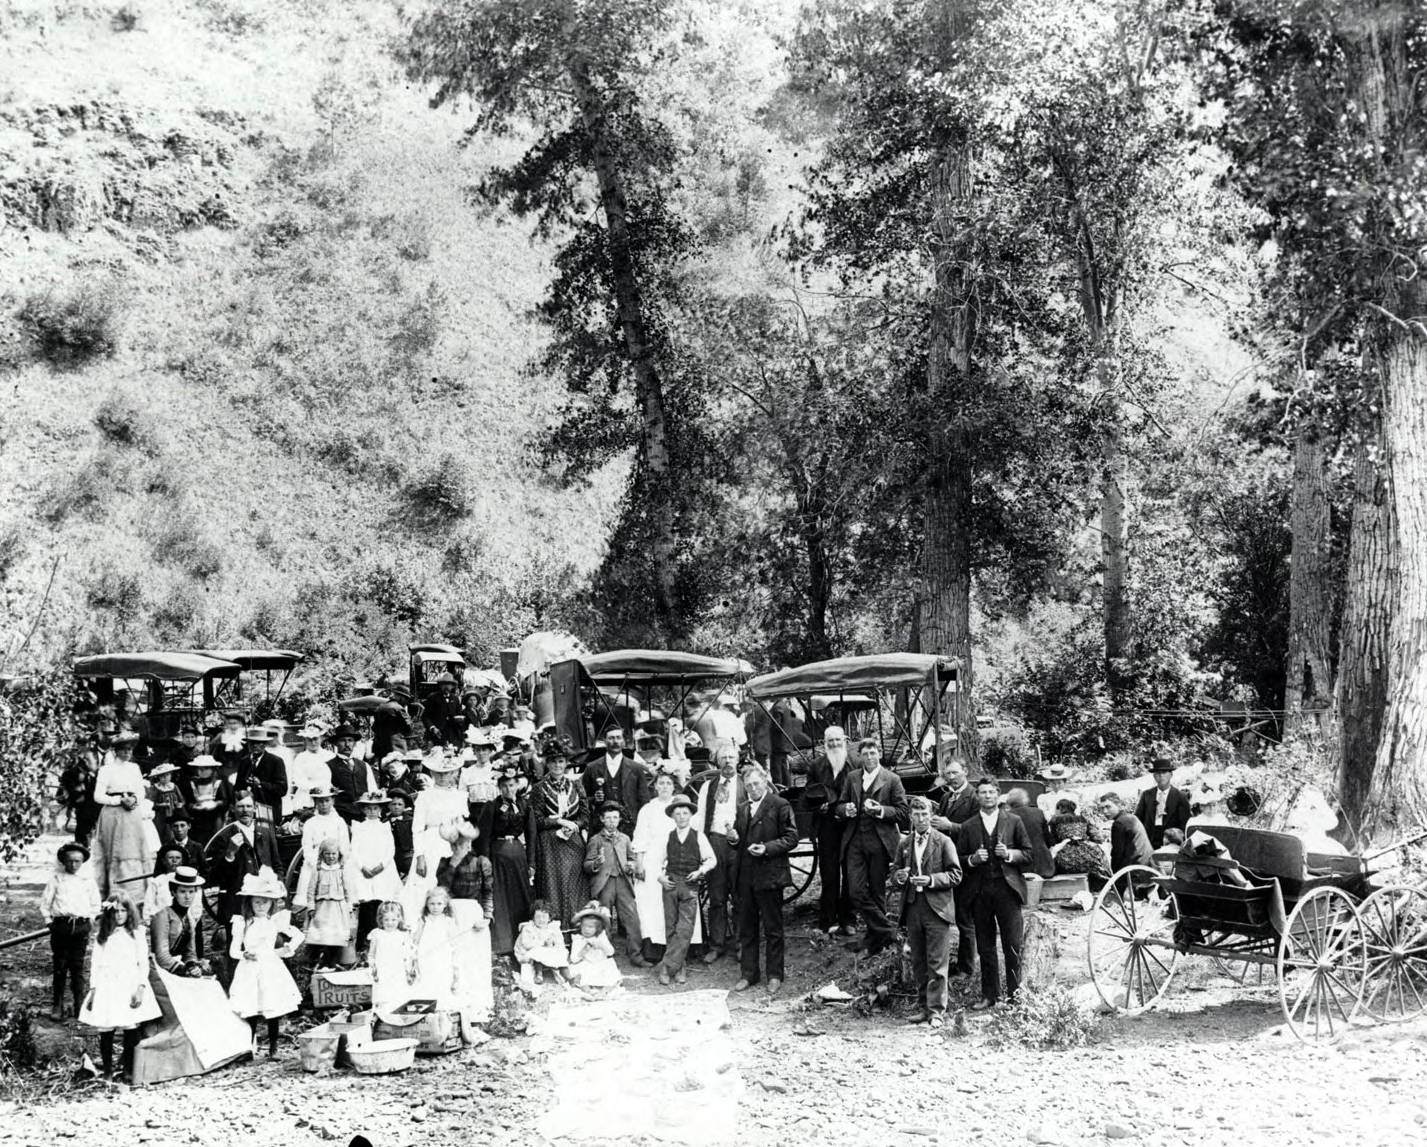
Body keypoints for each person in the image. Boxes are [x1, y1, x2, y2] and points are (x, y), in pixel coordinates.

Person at [959, 777, 1032, 1010]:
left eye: (991, 792)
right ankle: (990, 995)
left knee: (1012, 944)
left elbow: (1029, 855)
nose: (987, 796)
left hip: (1007, 889)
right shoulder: (968, 826)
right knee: (985, 946)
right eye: (982, 792)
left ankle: (1014, 996)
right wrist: (972, 859)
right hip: (979, 891)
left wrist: (1010, 854)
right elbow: (958, 860)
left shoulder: (1014, 820)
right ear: (977, 796)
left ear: (998, 795)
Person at [834, 738, 910, 956]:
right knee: (855, 890)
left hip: (880, 842)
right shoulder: (852, 778)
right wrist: (844, 809)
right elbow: (839, 806)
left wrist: (880, 811)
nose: (869, 757)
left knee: (877, 892)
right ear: (860, 756)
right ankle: (888, 931)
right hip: (855, 840)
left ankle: (875, 942)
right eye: (865, 754)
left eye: (873, 753)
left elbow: (903, 812)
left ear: (880, 755)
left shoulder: (892, 779)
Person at [892, 796, 962, 1027]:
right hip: (913, 906)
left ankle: (936, 1011)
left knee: (937, 961)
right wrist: (899, 877)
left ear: (931, 816)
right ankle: (923, 1008)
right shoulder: (904, 843)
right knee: (918, 961)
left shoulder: (943, 841)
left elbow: (956, 875)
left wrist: (931, 879)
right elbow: (895, 874)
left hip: (937, 908)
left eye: (924, 814)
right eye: (916, 814)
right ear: (910, 816)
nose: (920, 819)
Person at [731, 763, 798, 996]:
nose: (752, 788)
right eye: (748, 785)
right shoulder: (742, 809)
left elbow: (791, 838)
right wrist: (733, 839)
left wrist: (767, 848)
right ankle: (749, 973)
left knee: (773, 928)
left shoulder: (780, 805)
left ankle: (774, 975)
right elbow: (739, 842)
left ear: (765, 781)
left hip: (769, 875)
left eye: (756, 783)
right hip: (746, 877)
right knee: (747, 927)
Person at [79, 894, 161, 1082]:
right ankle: (107, 1069)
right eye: (115, 911)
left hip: (128, 982)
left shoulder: (137, 934)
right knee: (106, 1027)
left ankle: (128, 1069)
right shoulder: (103, 936)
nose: (119, 915)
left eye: (123, 910)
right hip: (107, 983)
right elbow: (95, 964)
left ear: (129, 912)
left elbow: (143, 963)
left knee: (129, 1025)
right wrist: (93, 989)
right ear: (109, 913)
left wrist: (140, 987)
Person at [227, 869, 303, 1058]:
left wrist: (286, 949)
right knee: (250, 1007)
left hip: (270, 966)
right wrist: (245, 954)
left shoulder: (275, 921)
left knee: (273, 1006)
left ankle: (273, 1047)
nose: (261, 906)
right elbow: (233, 951)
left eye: (265, 902)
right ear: (250, 902)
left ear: (271, 904)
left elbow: (298, 935)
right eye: (257, 902)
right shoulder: (242, 923)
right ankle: (249, 1047)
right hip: (250, 968)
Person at [435, 822, 495, 1030]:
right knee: (455, 960)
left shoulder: (481, 862)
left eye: (466, 842)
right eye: (458, 843)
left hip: (473, 913)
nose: (463, 846)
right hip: (452, 914)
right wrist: (454, 862)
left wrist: (487, 916)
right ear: (452, 845)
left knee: (476, 961)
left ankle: (478, 1008)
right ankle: (457, 1005)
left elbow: (488, 891)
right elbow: (442, 889)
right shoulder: (445, 864)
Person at [654, 793, 716, 987]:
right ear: (673, 816)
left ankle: (666, 967)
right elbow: (655, 861)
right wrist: (660, 877)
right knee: (671, 927)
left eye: (685, 813)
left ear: (691, 816)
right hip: (671, 885)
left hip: (689, 886)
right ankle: (680, 967)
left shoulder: (699, 836)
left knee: (685, 929)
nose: (681, 816)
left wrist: (700, 871)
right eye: (678, 813)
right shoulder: (668, 836)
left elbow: (712, 860)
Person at [401, 750, 469, 920]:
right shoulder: (425, 796)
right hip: (431, 843)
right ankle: (420, 925)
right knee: (426, 884)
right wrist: (420, 856)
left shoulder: (460, 796)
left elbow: (463, 825)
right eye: (438, 774)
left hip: (452, 844)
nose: (442, 777)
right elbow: (417, 828)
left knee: (453, 883)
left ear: (453, 773)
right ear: (431, 773)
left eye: (446, 773)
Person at [90, 732, 157, 901]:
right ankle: (111, 891)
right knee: (114, 849)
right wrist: (119, 800)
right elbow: (98, 796)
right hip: (113, 814)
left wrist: (134, 799)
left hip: (132, 813)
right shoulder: (106, 770)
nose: (127, 753)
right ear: (116, 751)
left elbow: (141, 791)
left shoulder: (134, 768)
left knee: (133, 849)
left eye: (130, 750)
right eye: (124, 750)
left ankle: (136, 892)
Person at [695, 744, 744, 964]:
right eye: (723, 757)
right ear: (717, 761)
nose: (728, 761)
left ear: (738, 759)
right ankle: (717, 945)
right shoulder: (708, 786)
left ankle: (742, 944)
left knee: (740, 896)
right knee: (716, 897)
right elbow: (700, 817)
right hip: (714, 842)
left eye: (731, 757)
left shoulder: (745, 784)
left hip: (739, 844)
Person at [41, 841, 101, 1021]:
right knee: (60, 966)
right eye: (70, 861)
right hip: (61, 926)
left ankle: (79, 1005)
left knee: (77, 967)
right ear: (63, 861)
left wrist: (89, 921)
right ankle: (57, 1004)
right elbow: (45, 904)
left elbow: (95, 904)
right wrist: (49, 921)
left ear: (82, 862)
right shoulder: (56, 879)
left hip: (80, 927)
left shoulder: (87, 881)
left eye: (77, 861)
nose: (73, 865)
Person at [805, 726, 855, 936]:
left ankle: (848, 919)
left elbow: (861, 792)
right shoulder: (816, 766)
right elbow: (809, 793)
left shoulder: (855, 764)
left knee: (850, 873)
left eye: (837, 740)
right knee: (829, 874)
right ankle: (828, 918)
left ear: (844, 740)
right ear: (825, 743)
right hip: (827, 826)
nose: (834, 744)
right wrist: (819, 807)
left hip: (849, 826)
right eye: (830, 741)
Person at [583, 801, 646, 965]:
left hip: (623, 882)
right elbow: (587, 865)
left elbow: (632, 858)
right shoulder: (596, 840)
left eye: (615, 818)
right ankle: (604, 956)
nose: (612, 821)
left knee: (632, 918)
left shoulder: (624, 838)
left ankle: (636, 955)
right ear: (602, 820)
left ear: (619, 820)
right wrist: (596, 862)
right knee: (605, 921)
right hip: (604, 885)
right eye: (608, 818)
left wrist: (631, 865)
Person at [531, 746, 587, 927]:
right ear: (547, 763)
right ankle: (556, 930)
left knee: (575, 882)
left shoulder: (576, 785)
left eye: (561, 761)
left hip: (573, 840)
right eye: (553, 761)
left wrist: (575, 825)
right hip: (550, 842)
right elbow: (537, 821)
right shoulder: (539, 788)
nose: (557, 765)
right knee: (554, 885)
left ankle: (578, 929)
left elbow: (585, 816)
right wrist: (560, 822)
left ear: (566, 763)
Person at [211, 794, 282, 927]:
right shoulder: (224, 836)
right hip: (237, 902)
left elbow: (277, 864)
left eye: (249, 806)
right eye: (240, 806)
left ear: (255, 808)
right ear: (233, 809)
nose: (245, 810)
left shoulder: (266, 833)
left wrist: (278, 884)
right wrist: (230, 853)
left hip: (264, 900)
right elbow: (217, 876)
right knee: (237, 942)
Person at [488, 770, 534, 958]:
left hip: (517, 854)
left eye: (512, 785)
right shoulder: (492, 806)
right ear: (499, 787)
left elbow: (531, 836)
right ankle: (503, 943)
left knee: (519, 895)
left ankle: (522, 942)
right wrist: (485, 858)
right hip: (497, 853)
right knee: (500, 896)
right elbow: (485, 834)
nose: (508, 789)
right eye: (504, 786)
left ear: (517, 785)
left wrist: (531, 862)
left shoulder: (525, 805)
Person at [350, 791, 403, 950]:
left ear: (380, 810)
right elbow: (354, 850)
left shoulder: (384, 827)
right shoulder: (359, 827)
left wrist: (381, 866)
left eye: (375, 808)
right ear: (364, 810)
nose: (372, 812)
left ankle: (384, 937)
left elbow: (390, 849)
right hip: (364, 869)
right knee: (367, 902)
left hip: (382, 869)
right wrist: (362, 867)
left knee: (381, 900)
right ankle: (364, 940)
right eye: (369, 808)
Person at [581, 729, 650, 839]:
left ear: (624, 741)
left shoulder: (636, 768)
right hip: (601, 825)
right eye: (611, 738)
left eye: (618, 738)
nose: (615, 741)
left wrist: (643, 825)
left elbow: (644, 800)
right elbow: (582, 799)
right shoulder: (592, 768)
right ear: (604, 741)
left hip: (630, 826)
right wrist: (595, 799)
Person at [149, 867, 210, 977]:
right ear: (173, 892)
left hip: (177, 968)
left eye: (191, 892)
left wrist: (193, 967)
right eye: (182, 892)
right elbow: (161, 956)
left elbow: (189, 952)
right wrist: (184, 971)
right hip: (158, 969)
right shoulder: (162, 916)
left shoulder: (189, 919)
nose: (187, 897)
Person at [295, 784, 350, 906]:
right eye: (320, 801)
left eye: (327, 801)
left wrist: (339, 862)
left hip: (335, 860)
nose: (324, 804)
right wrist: (316, 864)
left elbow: (345, 844)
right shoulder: (310, 823)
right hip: (315, 861)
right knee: (311, 885)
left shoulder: (339, 822)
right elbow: (307, 846)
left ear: (333, 801)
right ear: (315, 802)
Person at [304, 840, 353, 968]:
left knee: (336, 937)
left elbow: (348, 890)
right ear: (322, 854)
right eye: (327, 854)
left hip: (338, 908)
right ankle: (312, 962)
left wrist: (349, 906)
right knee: (320, 935)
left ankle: (330, 963)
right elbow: (310, 891)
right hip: (322, 908)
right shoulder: (318, 870)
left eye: (334, 854)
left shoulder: (342, 870)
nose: (331, 857)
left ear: (339, 854)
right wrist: (311, 907)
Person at [233, 728, 288, 832]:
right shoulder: (244, 762)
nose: (255, 746)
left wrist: (261, 784)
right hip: (248, 813)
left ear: (265, 744)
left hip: (268, 812)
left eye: (259, 743)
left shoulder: (275, 761)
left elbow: (282, 789)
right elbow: (237, 787)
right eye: (252, 743)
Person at [367, 900, 417, 1011]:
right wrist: (372, 968)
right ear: (381, 920)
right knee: (383, 998)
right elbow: (371, 954)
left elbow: (408, 954)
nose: (390, 923)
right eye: (386, 920)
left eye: (393, 920)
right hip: (382, 971)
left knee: (398, 997)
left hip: (398, 971)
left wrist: (409, 970)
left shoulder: (403, 935)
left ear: (399, 919)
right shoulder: (377, 934)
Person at [1133, 755, 1191, 850]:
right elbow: (1138, 819)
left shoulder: (1180, 796)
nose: (1161, 776)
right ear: (1154, 776)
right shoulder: (1147, 795)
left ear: (1171, 775)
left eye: (1164, 772)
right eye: (1157, 773)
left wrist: (1179, 842)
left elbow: (1184, 823)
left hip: (1172, 840)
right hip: (1149, 838)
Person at [328, 725, 382, 824]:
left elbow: (372, 790)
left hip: (363, 816)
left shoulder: (364, 765)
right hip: (340, 817)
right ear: (336, 743)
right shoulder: (328, 766)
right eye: (343, 741)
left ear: (354, 743)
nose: (347, 744)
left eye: (350, 740)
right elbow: (327, 795)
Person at [1049, 798, 1112, 882]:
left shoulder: (1055, 820)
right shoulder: (1082, 818)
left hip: (1066, 856)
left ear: (1060, 808)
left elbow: (1052, 840)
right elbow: (1097, 838)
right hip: (1088, 853)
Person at [513, 900, 571, 991]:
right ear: (533, 917)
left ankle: (568, 977)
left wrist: (553, 945)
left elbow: (560, 943)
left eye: (544, 917)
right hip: (528, 951)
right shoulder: (529, 928)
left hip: (547, 951)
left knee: (560, 954)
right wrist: (543, 943)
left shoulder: (553, 927)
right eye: (538, 917)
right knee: (537, 953)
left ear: (549, 918)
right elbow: (526, 944)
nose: (541, 920)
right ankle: (538, 974)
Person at [1098, 791, 1156, 876]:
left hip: (1136, 873)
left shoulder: (1119, 823)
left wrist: (1113, 876)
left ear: (1119, 805)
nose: (1105, 811)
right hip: (1150, 869)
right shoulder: (1131, 817)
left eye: (1108, 807)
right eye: (1102, 808)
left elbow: (1117, 854)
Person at [179, 754, 231, 847]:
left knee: (214, 838)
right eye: (199, 769)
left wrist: (216, 804)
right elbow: (187, 801)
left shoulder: (218, 783)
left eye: (206, 769)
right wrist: (193, 806)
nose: (202, 771)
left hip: (214, 817)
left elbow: (225, 800)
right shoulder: (191, 783)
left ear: (212, 769)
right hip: (197, 818)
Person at [1005, 788, 1056, 880]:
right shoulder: (1038, 812)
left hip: (1020, 868)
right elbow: (1049, 839)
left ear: (1009, 802)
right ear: (1026, 800)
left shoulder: (1006, 816)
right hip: (1044, 866)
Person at [568, 901, 620, 990]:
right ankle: (587, 991)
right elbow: (573, 959)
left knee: (610, 968)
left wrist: (602, 946)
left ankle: (604, 992)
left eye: (590, 927)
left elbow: (611, 952)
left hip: (601, 964)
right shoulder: (578, 939)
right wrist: (583, 951)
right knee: (581, 972)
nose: (586, 929)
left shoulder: (601, 937)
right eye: (584, 926)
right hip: (587, 964)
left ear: (598, 928)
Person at [286, 724, 332, 815]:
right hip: (306, 795)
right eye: (309, 740)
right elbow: (298, 778)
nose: (313, 743)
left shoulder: (329, 755)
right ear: (305, 740)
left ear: (321, 738)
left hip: (326, 794)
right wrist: (312, 788)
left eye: (315, 739)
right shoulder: (301, 758)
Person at [144, 761, 184, 843]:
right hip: (161, 815)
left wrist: (179, 804)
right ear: (158, 777)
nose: (165, 778)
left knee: (174, 831)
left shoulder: (174, 786)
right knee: (162, 832)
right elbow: (149, 803)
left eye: (167, 775)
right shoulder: (155, 788)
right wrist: (161, 805)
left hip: (173, 813)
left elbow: (182, 800)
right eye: (162, 776)